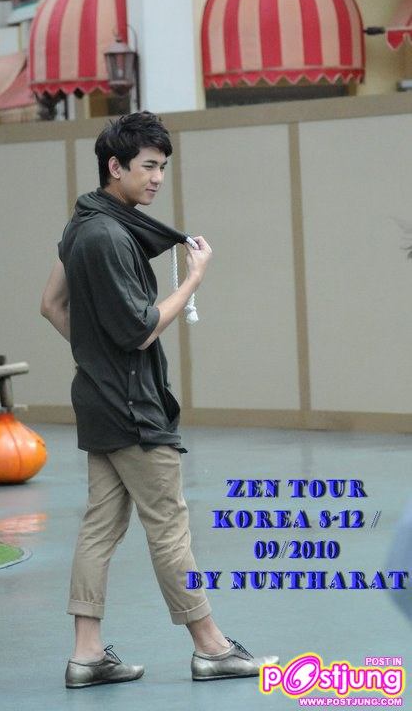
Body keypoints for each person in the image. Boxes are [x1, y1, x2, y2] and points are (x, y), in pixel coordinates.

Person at [41, 111, 278, 687]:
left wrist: (97, 359)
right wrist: (192, 279)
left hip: (100, 400)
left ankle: (86, 655)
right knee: (169, 527)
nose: (157, 178)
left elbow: (51, 305)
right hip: (133, 408)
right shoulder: (107, 236)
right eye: (148, 166)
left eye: (162, 167)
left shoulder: (81, 225)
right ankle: (211, 647)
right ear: (114, 166)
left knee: (100, 526)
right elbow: (140, 330)